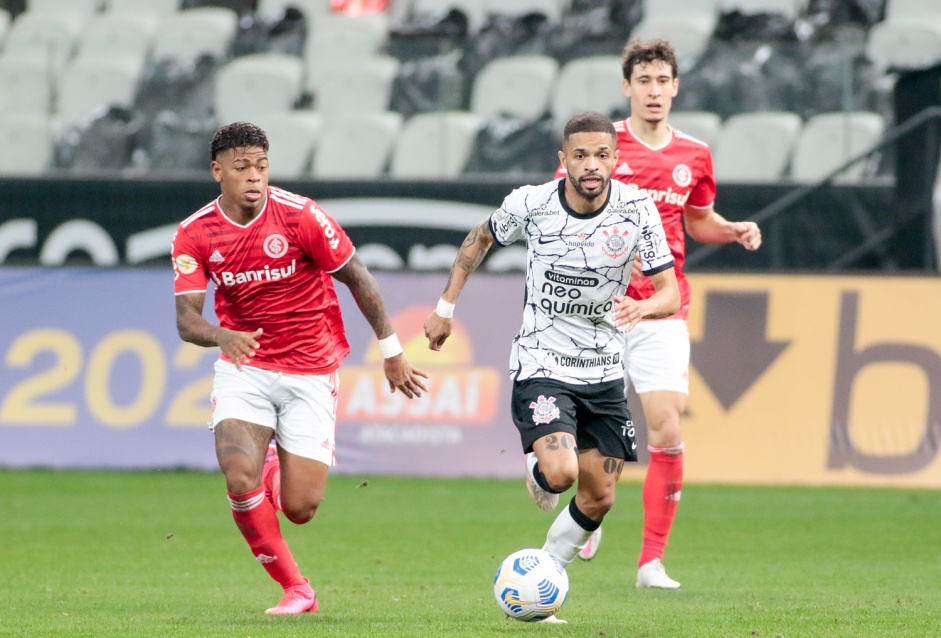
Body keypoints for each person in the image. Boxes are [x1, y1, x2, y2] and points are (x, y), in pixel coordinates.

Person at [425, 111, 680, 618]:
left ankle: (543, 575)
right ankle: (541, 471)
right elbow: (479, 240)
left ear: (615, 159)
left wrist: (642, 306)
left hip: (605, 367)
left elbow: (669, 292)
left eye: (601, 155)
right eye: (580, 155)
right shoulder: (531, 203)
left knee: (601, 495)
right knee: (561, 474)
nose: (591, 165)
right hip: (543, 359)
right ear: (563, 160)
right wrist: (445, 307)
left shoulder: (638, 211)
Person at [172, 122, 428, 615]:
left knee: (300, 508)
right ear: (217, 171)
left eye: (262, 167)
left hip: (311, 367)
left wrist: (392, 351)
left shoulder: (300, 215)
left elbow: (358, 278)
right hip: (244, 366)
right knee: (238, 472)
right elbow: (186, 318)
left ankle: (275, 474)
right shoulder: (195, 232)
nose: (254, 177)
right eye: (242, 167)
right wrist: (222, 336)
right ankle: (297, 588)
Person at [554, 39, 763, 587]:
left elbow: (698, 221)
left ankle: (651, 561)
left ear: (675, 87)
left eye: (661, 81)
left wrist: (731, 229)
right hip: (593, 310)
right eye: (642, 81)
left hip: (662, 309)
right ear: (627, 87)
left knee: (667, 427)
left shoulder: (693, 154)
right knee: (578, 427)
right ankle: (587, 509)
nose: (652, 90)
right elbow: (562, 208)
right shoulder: (600, 147)